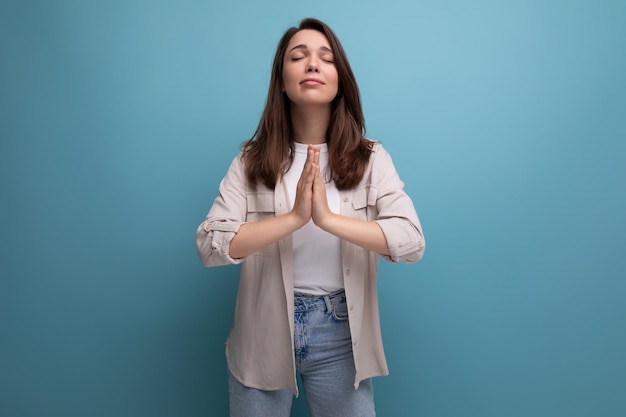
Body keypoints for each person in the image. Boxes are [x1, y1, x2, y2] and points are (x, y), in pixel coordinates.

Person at [196, 17, 425, 417]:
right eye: (298, 56)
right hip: (262, 330)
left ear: (340, 80)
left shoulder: (371, 159)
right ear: (282, 82)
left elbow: (411, 241)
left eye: (326, 58)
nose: (312, 65)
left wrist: (328, 219)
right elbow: (209, 245)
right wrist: (294, 217)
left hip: (342, 334)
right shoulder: (250, 161)